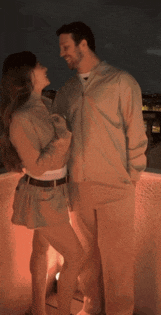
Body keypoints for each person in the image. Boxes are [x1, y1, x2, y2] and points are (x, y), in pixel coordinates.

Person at [53, 22, 148, 315]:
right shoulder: (66, 92)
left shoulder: (121, 82)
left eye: (65, 47)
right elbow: (58, 139)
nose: (61, 54)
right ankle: (92, 307)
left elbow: (137, 135)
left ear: (83, 45)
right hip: (78, 189)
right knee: (86, 260)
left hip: (114, 188)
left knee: (118, 261)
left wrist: (128, 179)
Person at [0, 51, 84, 315]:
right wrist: (62, 138)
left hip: (54, 192)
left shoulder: (44, 105)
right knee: (76, 256)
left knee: (40, 248)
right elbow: (35, 165)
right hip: (43, 196)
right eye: (39, 65)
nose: (45, 66)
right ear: (27, 76)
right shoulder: (21, 118)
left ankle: (38, 309)